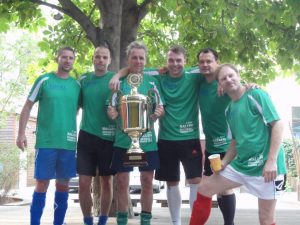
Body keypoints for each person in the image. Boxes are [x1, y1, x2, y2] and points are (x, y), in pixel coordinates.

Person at [110, 46, 203, 225]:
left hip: (163, 139)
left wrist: (245, 84)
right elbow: (128, 72)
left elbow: (216, 68)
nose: (175, 64)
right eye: (171, 60)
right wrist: (115, 76)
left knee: (185, 181)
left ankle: (186, 222)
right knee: (126, 181)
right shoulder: (137, 78)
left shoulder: (184, 75)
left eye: (178, 60)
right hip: (144, 139)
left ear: (185, 61)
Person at [190, 64, 287, 225]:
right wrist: (224, 162)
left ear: (238, 75)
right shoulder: (229, 109)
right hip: (242, 166)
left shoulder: (256, 94)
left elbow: (278, 124)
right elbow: (235, 141)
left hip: (267, 169)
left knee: (266, 219)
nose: (228, 80)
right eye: (223, 78)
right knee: (204, 187)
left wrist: (271, 162)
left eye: (231, 75)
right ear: (220, 84)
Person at [16, 47, 80, 225]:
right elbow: (27, 106)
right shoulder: (44, 80)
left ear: (73, 61)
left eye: (71, 58)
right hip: (46, 143)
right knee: (42, 184)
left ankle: (58, 223)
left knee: (63, 185)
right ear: (57, 58)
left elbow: (84, 107)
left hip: (68, 144)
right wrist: (21, 133)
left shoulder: (76, 85)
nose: (67, 61)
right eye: (64, 57)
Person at [107, 41, 165, 225]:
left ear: (145, 60)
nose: (138, 61)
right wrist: (112, 113)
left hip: (147, 141)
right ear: (128, 59)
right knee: (122, 182)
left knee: (147, 181)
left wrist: (158, 113)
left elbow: (160, 107)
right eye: (134, 57)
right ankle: (122, 221)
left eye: (141, 58)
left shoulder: (152, 82)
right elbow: (111, 107)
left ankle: (145, 220)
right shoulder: (119, 83)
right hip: (123, 141)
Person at [192, 48, 236, 225]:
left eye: (209, 61)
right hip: (211, 147)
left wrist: (251, 85)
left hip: (227, 146)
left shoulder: (225, 82)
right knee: (216, 187)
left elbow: (241, 85)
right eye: (202, 62)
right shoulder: (200, 81)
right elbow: (180, 69)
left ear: (217, 62)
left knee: (221, 187)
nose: (205, 65)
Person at [77, 45, 116, 225]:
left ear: (109, 60)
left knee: (107, 182)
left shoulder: (116, 80)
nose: (101, 60)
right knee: (84, 183)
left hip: (108, 138)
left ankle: (103, 219)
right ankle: (87, 220)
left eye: (104, 57)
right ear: (93, 59)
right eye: (97, 57)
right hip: (86, 137)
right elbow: (74, 106)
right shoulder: (84, 79)